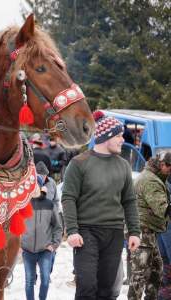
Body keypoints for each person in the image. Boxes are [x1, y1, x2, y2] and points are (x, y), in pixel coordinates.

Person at [62, 111, 141, 300]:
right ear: (106, 137)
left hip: (113, 233)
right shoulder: (79, 163)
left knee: (107, 289)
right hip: (86, 232)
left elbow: (129, 201)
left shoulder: (123, 165)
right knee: (87, 286)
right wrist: (72, 230)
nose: (123, 140)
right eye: (119, 135)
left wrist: (134, 232)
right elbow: (68, 198)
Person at [128, 152, 171, 300]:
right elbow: (162, 209)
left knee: (156, 271)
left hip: (149, 232)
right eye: (169, 168)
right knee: (139, 275)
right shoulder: (151, 181)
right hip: (142, 231)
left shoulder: (153, 176)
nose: (170, 172)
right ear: (162, 165)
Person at [21, 175, 62, 300]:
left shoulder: (49, 205)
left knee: (45, 280)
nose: (33, 188)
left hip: (45, 250)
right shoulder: (22, 205)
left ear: (41, 187)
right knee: (29, 281)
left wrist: (54, 245)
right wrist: (20, 244)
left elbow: (58, 227)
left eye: (36, 185)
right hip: (27, 250)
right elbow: (16, 225)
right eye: (31, 186)